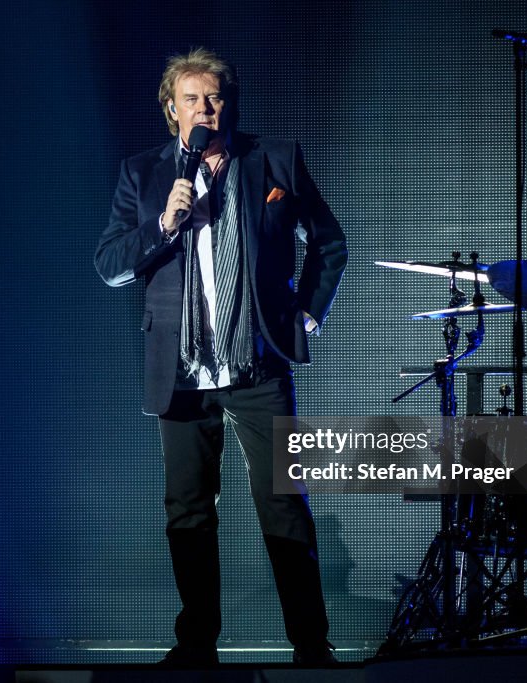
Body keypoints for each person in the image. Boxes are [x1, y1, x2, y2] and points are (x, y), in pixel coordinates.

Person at [94, 47, 347, 667]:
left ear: (228, 103)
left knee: (285, 504)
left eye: (214, 97)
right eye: (191, 99)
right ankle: (196, 645)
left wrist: (307, 313)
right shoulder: (143, 175)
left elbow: (330, 241)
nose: (205, 108)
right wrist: (162, 224)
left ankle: (311, 647)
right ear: (171, 111)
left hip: (257, 366)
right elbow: (108, 266)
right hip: (181, 373)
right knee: (188, 512)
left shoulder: (273, 158)